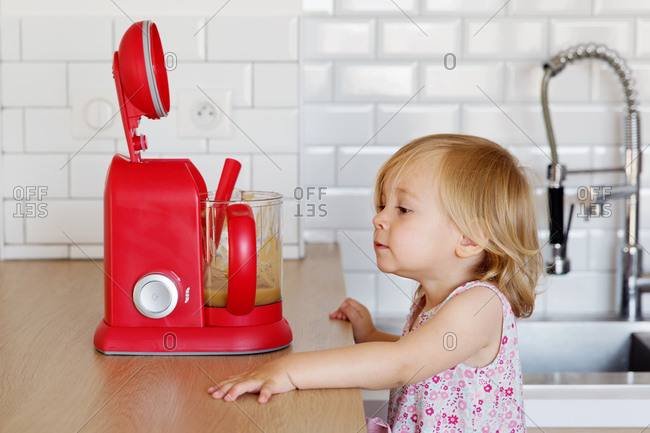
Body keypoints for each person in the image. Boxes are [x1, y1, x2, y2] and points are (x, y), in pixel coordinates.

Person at [208, 134, 543, 433]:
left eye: (403, 209)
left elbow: (404, 364)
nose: (379, 218)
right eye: (383, 206)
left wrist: (291, 371)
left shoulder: (479, 307)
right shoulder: (437, 298)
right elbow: (428, 357)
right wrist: (372, 336)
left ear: (470, 238)